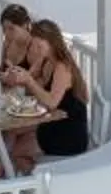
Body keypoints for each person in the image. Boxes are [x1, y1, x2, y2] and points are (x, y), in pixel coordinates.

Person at [27, 19, 91, 160]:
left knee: (14, 149)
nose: (36, 48)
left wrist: (29, 82)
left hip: (68, 136)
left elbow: (51, 102)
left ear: (52, 42)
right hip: (54, 124)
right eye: (34, 44)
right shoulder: (48, 61)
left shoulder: (62, 67)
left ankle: (35, 178)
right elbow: (34, 86)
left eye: (39, 44)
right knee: (12, 138)